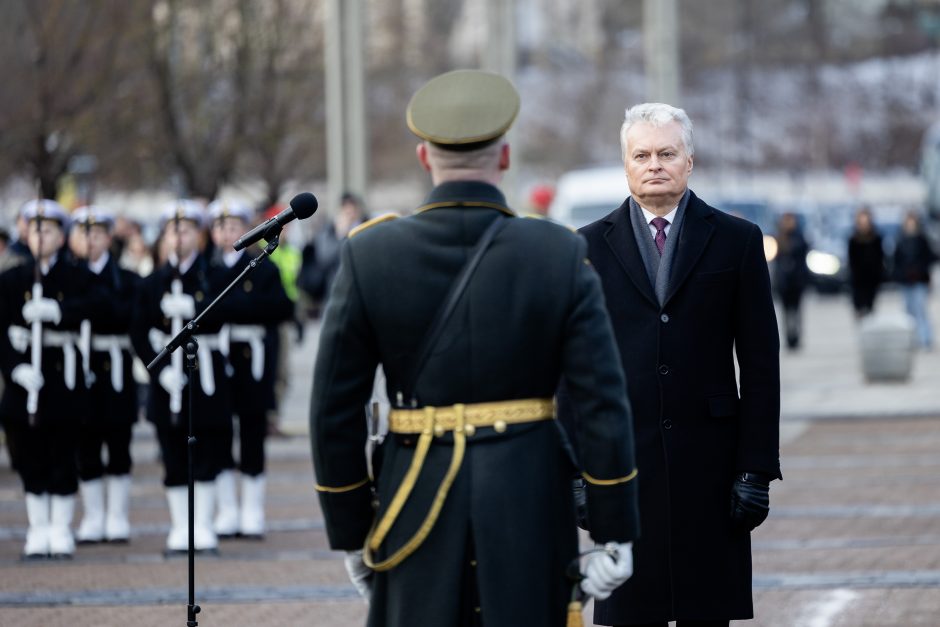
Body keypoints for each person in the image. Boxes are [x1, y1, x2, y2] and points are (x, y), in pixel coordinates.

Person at [310, 69, 640, 627]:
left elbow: (332, 412)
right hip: (528, 498)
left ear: (423, 158)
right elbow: (602, 401)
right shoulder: (555, 253)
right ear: (505, 157)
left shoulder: (372, 254)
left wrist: (351, 532)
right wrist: (614, 529)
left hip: (412, 502)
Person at [561, 103, 781, 626]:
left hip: (712, 464)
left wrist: (756, 469)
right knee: (631, 614)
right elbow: (572, 370)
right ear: (626, 164)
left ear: (689, 161)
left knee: (708, 613)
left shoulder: (737, 239)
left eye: (666, 153)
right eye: (642, 154)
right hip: (623, 468)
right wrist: (574, 473)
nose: (654, 163)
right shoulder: (585, 246)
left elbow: (760, 361)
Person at [0, 199, 105, 558]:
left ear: (62, 237)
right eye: (34, 230)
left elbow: (97, 304)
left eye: (47, 230)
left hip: (64, 380)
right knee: (29, 457)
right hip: (25, 384)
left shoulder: (76, 276)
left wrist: (60, 311)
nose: (39, 237)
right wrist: (15, 367)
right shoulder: (12, 278)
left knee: (63, 454)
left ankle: (60, 528)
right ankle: (38, 528)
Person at [129, 201, 232, 553]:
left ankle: (202, 523)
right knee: (172, 455)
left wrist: (195, 312)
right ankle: (179, 525)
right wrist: (157, 371)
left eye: (186, 230)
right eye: (173, 230)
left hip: (204, 378)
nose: (178, 237)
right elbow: (138, 331)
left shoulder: (212, 275)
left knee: (206, 453)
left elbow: (225, 315)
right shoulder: (152, 282)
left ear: (199, 236)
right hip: (166, 383)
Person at [206, 200, 293, 538]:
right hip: (220, 359)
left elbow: (281, 306)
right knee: (220, 431)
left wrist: (237, 308)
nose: (227, 233)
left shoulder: (263, 265)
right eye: (221, 227)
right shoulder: (207, 267)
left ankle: (252, 508)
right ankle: (227, 508)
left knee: (253, 431)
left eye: (233, 226)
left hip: (253, 358)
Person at [69, 207, 141, 544]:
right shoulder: (71, 277)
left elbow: (123, 315)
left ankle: (117, 515)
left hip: (116, 366)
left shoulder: (125, 278)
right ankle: (94, 515)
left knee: (118, 441)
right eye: (84, 234)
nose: (90, 241)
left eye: (97, 234)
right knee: (86, 443)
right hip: (82, 365)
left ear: (109, 238)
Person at [298, 192, 367, 314]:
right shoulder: (329, 231)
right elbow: (324, 259)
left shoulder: (366, 227)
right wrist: (341, 236)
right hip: (334, 293)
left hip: (362, 293)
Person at [893, 211, 937, 349]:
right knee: (908, 312)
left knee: (920, 309)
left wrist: (924, 272)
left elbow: (930, 258)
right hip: (906, 281)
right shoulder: (900, 239)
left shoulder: (922, 239)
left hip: (920, 280)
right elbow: (896, 260)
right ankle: (911, 340)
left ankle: (925, 339)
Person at [773, 212, 810, 349]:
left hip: (797, 281)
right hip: (784, 281)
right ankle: (789, 337)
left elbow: (802, 251)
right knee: (786, 311)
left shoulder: (799, 237)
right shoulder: (778, 237)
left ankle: (796, 337)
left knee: (796, 310)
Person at [847, 206, 885, 317]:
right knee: (859, 310)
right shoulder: (853, 239)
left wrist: (879, 275)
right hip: (858, 281)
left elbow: (879, 258)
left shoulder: (876, 238)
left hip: (872, 281)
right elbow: (852, 260)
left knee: (870, 309)